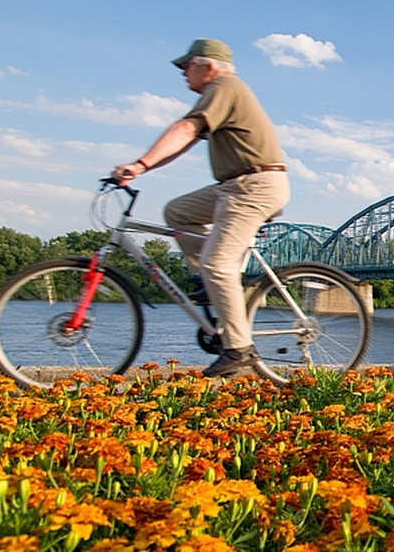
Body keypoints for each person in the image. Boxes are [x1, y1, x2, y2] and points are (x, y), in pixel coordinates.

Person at [112, 38, 290, 376]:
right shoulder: (218, 94)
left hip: (255, 185)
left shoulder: (225, 86)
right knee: (178, 212)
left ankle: (239, 349)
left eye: (186, 65)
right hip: (234, 186)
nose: (182, 73)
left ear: (208, 66)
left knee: (217, 261)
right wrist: (147, 166)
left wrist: (138, 164)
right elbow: (188, 139)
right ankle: (212, 286)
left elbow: (186, 127)